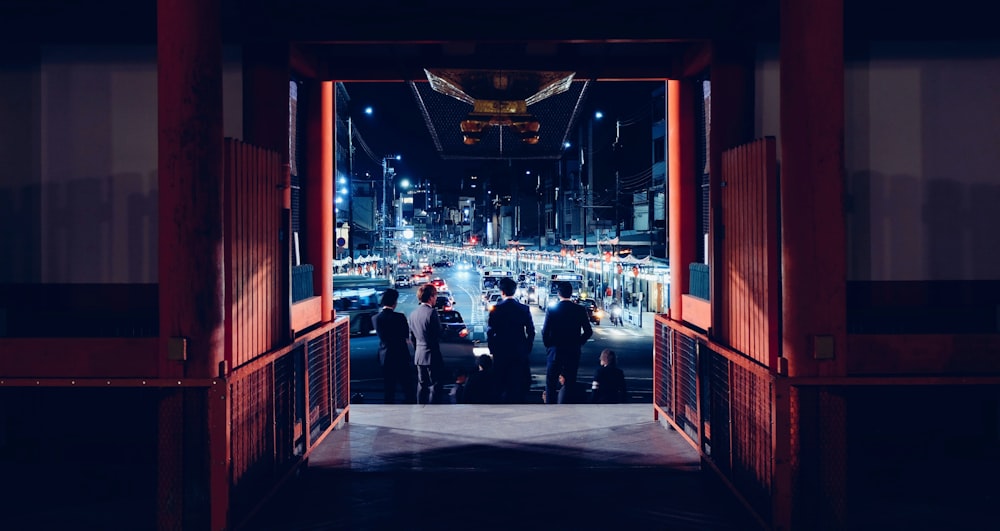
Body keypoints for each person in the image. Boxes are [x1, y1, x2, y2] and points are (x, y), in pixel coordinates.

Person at [540, 281, 593, 404]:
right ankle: (567, 406)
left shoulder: (552, 310)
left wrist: (549, 345)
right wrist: (578, 342)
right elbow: (588, 331)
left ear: (558, 294)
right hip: (572, 351)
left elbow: (545, 331)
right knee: (570, 383)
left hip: (555, 351)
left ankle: (550, 405)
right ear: (571, 293)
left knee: (551, 382)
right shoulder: (579, 310)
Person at [486, 276, 535, 403]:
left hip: (501, 351)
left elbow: (490, 332)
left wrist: (492, 349)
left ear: (502, 292)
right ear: (514, 291)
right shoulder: (524, 309)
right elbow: (531, 331)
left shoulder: (496, 310)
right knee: (518, 383)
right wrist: (527, 347)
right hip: (519, 351)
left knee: (500, 382)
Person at [371, 288, 417, 404]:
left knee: (389, 388)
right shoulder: (400, 317)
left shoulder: (376, 318)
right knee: (407, 386)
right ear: (394, 302)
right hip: (400, 354)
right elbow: (406, 336)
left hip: (385, 356)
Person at [409, 283, 446, 404]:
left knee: (422, 385)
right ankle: (433, 411)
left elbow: (412, 337)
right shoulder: (431, 313)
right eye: (435, 296)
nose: (436, 298)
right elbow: (438, 334)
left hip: (419, 355)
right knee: (436, 384)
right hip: (432, 354)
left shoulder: (413, 314)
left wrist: (418, 349)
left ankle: (421, 409)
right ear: (431, 297)